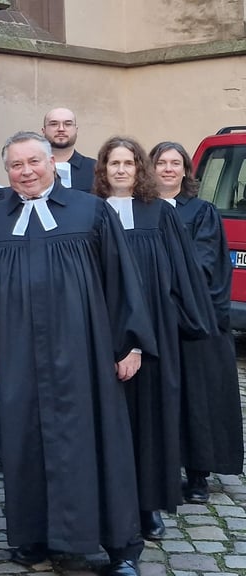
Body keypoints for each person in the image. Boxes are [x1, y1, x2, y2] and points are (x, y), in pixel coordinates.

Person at [0, 131, 155, 576]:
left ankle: (119, 546)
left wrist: (129, 343)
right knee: (26, 443)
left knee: (97, 441)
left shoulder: (89, 211)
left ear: (51, 164)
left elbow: (121, 279)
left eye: (34, 162)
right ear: (7, 171)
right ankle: (36, 537)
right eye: (16, 165)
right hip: (19, 356)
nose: (26, 172)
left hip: (85, 354)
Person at [92, 137, 213, 541]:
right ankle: (110, 504)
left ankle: (147, 507)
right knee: (109, 420)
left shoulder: (159, 213)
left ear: (139, 168)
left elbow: (183, 274)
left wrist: (171, 321)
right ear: (103, 170)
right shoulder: (89, 213)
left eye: (128, 163)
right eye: (114, 163)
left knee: (149, 421)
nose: (121, 170)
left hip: (154, 336)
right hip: (101, 331)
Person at [150, 141, 244, 503]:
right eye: (162, 163)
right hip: (152, 321)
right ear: (151, 168)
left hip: (191, 320)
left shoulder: (201, 212)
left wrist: (170, 297)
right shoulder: (140, 210)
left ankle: (198, 474)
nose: (168, 169)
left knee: (196, 399)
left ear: (186, 171)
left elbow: (204, 264)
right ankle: (157, 470)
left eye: (175, 163)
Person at [41, 107, 95, 191]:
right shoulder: (32, 168)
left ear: (76, 130)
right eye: (54, 124)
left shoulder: (95, 169)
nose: (61, 129)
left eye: (68, 124)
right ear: (43, 131)